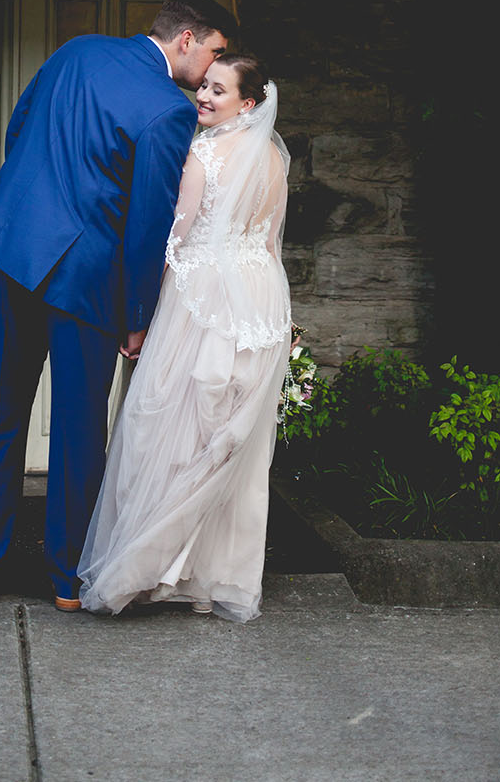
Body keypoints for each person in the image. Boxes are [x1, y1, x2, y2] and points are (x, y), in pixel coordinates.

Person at [0, 0, 236, 610]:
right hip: (85, 279)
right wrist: (137, 318)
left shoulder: (76, 52)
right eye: (215, 49)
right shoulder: (168, 110)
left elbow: (18, 129)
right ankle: (65, 581)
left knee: (1, 410)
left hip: (13, 251)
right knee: (79, 430)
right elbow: (148, 224)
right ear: (186, 38)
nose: (215, 66)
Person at [77, 53, 291, 623]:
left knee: (170, 421)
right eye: (204, 86)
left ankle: (147, 567)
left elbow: (177, 235)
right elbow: (270, 244)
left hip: (204, 297)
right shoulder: (272, 158)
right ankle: (205, 577)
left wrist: (145, 311)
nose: (203, 96)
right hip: (259, 297)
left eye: (218, 91)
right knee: (226, 438)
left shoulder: (204, 153)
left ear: (248, 103)